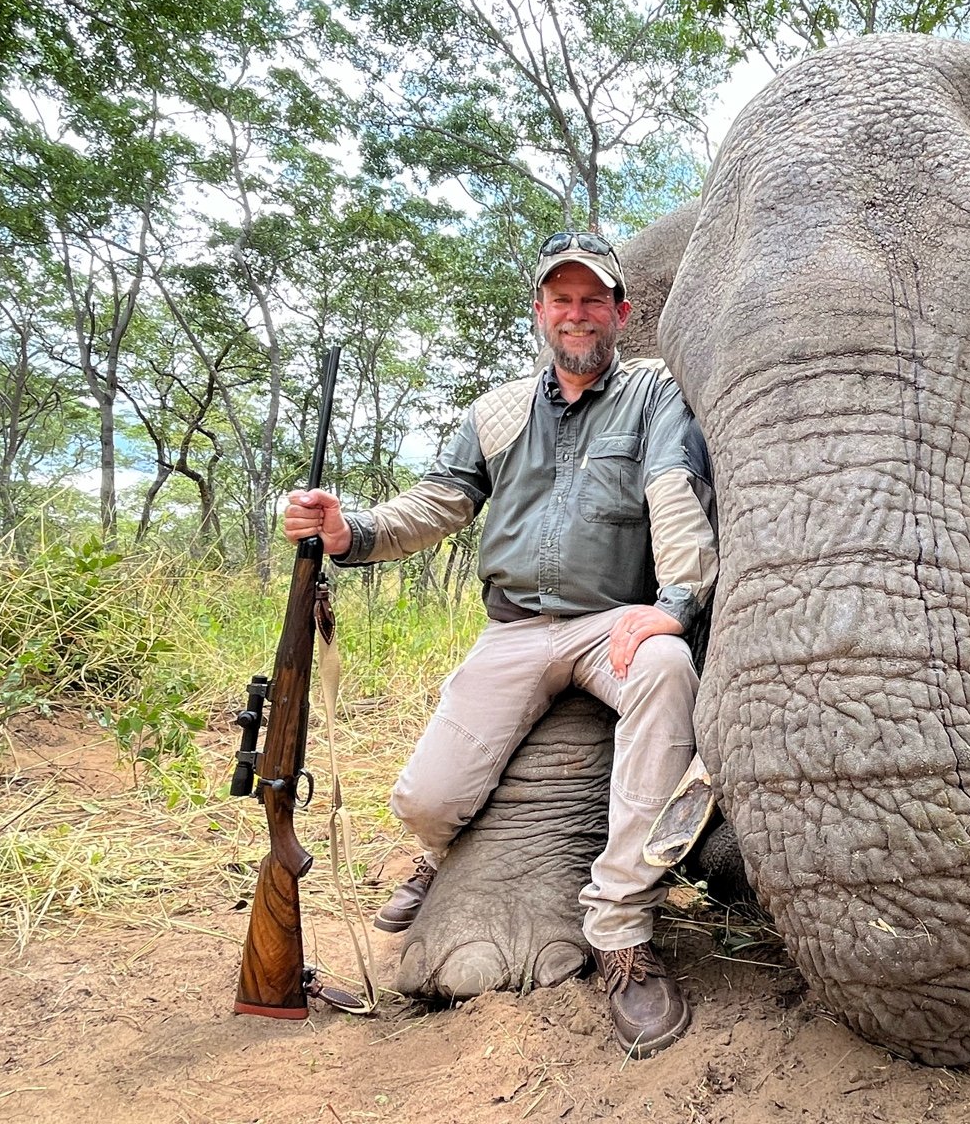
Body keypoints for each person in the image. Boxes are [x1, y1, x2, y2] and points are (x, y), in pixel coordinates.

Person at [282, 230, 717, 1058]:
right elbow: (441, 503)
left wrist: (678, 604)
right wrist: (351, 530)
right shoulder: (498, 411)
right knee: (424, 800)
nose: (578, 315)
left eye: (594, 300)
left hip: (607, 626)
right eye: (563, 300)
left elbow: (674, 487)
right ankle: (439, 856)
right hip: (515, 628)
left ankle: (622, 930)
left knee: (665, 668)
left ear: (623, 313)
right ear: (540, 312)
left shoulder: (656, 394)